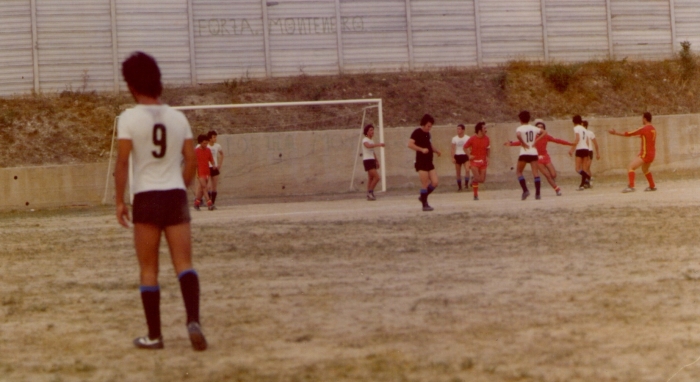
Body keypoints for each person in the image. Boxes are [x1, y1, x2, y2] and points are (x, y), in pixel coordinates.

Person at [114, 51, 207, 351]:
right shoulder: (178, 117)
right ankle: (193, 320)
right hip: (175, 196)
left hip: (146, 198)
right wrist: (181, 186)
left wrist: (119, 201)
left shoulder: (128, 118)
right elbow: (191, 160)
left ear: (131, 84)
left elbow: (122, 162)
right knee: (184, 263)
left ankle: (154, 336)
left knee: (148, 269)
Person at [505, 119, 573, 196]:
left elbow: (557, 140)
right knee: (547, 175)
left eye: (542, 127)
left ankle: (551, 182)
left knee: (553, 175)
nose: (540, 129)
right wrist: (511, 143)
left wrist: (570, 143)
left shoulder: (546, 136)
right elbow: (520, 142)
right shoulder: (533, 137)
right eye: (538, 127)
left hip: (545, 157)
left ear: (544, 129)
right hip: (537, 158)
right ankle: (557, 189)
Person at [608, 112, 657, 193]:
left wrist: (615, 133)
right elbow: (645, 137)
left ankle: (631, 186)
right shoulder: (653, 129)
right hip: (652, 154)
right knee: (645, 169)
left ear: (645, 119)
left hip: (645, 154)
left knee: (630, 167)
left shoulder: (644, 128)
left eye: (642, 118)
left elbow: (629, 133)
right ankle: (652, 186)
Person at [408, 114, 441, 211]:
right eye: (428, 126)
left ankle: (423, 197)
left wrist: (436, 151)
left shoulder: (428, 134)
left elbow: (429, 145)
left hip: (429, 161)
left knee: (435, 182)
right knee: (425, 183)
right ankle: (425, 205)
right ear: (423, 124)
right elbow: (410, 144)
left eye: (431, 126)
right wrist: (421, 149)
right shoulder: (417, 132)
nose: (429, 128)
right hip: (421, 161)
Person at [514, 111, 545, 200]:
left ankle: (525, 190)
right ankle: (538, 194)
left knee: (519, 172)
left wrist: (523, 143)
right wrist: (536, 141)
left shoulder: (520, 128)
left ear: (520, 119)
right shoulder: (533, 128)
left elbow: (518, 135)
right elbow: (544, 132)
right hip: (533, 152)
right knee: (535, 173)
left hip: (524, 152)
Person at [463, 122, 489, 200]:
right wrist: (469, 155)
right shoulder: (472, 138)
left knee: (482, 180)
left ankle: (473, 180)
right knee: (477, 178)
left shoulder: (487, 138)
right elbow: (465, 147)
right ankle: (475, 195)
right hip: (474, 161)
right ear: (479, 130)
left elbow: (488, 148)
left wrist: (488, 157)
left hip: (483, 161)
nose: (486, 130)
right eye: (484, 128)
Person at [568, 115, 591, 190]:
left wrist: (572, 149)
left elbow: (577, 139)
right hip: (586, 149)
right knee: (584, 169)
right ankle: (582, 185)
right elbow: (587, 141)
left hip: (580, 149)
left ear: (574, 122)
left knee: (577, 168)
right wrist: (588, 150)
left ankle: (588, 177)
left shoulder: (576, 128)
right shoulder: (584, 129)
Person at [362, 124, 385, 200]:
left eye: (373, 130)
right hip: (367, 160)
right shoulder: (365, 139)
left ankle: (368, 193)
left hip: (371, 159)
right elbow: (368, 146)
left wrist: (377, 161)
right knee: (377, 177)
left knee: (371, 178)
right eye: (370, 130)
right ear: (367, 132)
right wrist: (379, 144)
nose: (372, 131)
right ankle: (370, 192)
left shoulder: (371, 140)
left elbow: (372, 152)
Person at [194, 134, 214, 211]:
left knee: (202, 189)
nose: (205, 145)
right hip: (199, 171)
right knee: (205, 187)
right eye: (204, 143)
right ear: (200, 143)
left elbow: (211, 159)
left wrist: (214, 165)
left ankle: (196, 203)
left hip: (207, 171)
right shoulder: (196, 151)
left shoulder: (208, 150)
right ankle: (209, 203)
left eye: (206, 143)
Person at [206, 130, 224, 209]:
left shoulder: (217, 146)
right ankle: (209, 202)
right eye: (213, 137)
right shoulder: (206, 146)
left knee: (214, 187)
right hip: (207, 167)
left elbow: (222, 154)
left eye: (215, 137)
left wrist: (219, 164)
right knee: (208, 186)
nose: (215, 138)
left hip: (214, 167)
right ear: (209, 138)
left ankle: (213, 203)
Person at [450, 124, 470, 191]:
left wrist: (470, 155)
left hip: (465, 155)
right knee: (458, 172)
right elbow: (452, 148)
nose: (458, 130)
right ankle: (459, 187)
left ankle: (466, 185)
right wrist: (452, 157)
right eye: (457, 129)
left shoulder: (467, 138)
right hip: (457, 155)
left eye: (459, 129)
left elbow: (470, 147)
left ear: (463, 130)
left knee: (467, 170)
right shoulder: (454, 138)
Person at [582, 120, 600, 188]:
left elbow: (595, 143)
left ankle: (587, 181)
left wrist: (598, 153)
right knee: (586, 168)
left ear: (585, 126)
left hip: (589, 151)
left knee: (586, 167)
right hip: (583, 151)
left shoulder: (590, 133)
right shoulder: (580, 133)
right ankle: (590, 180)